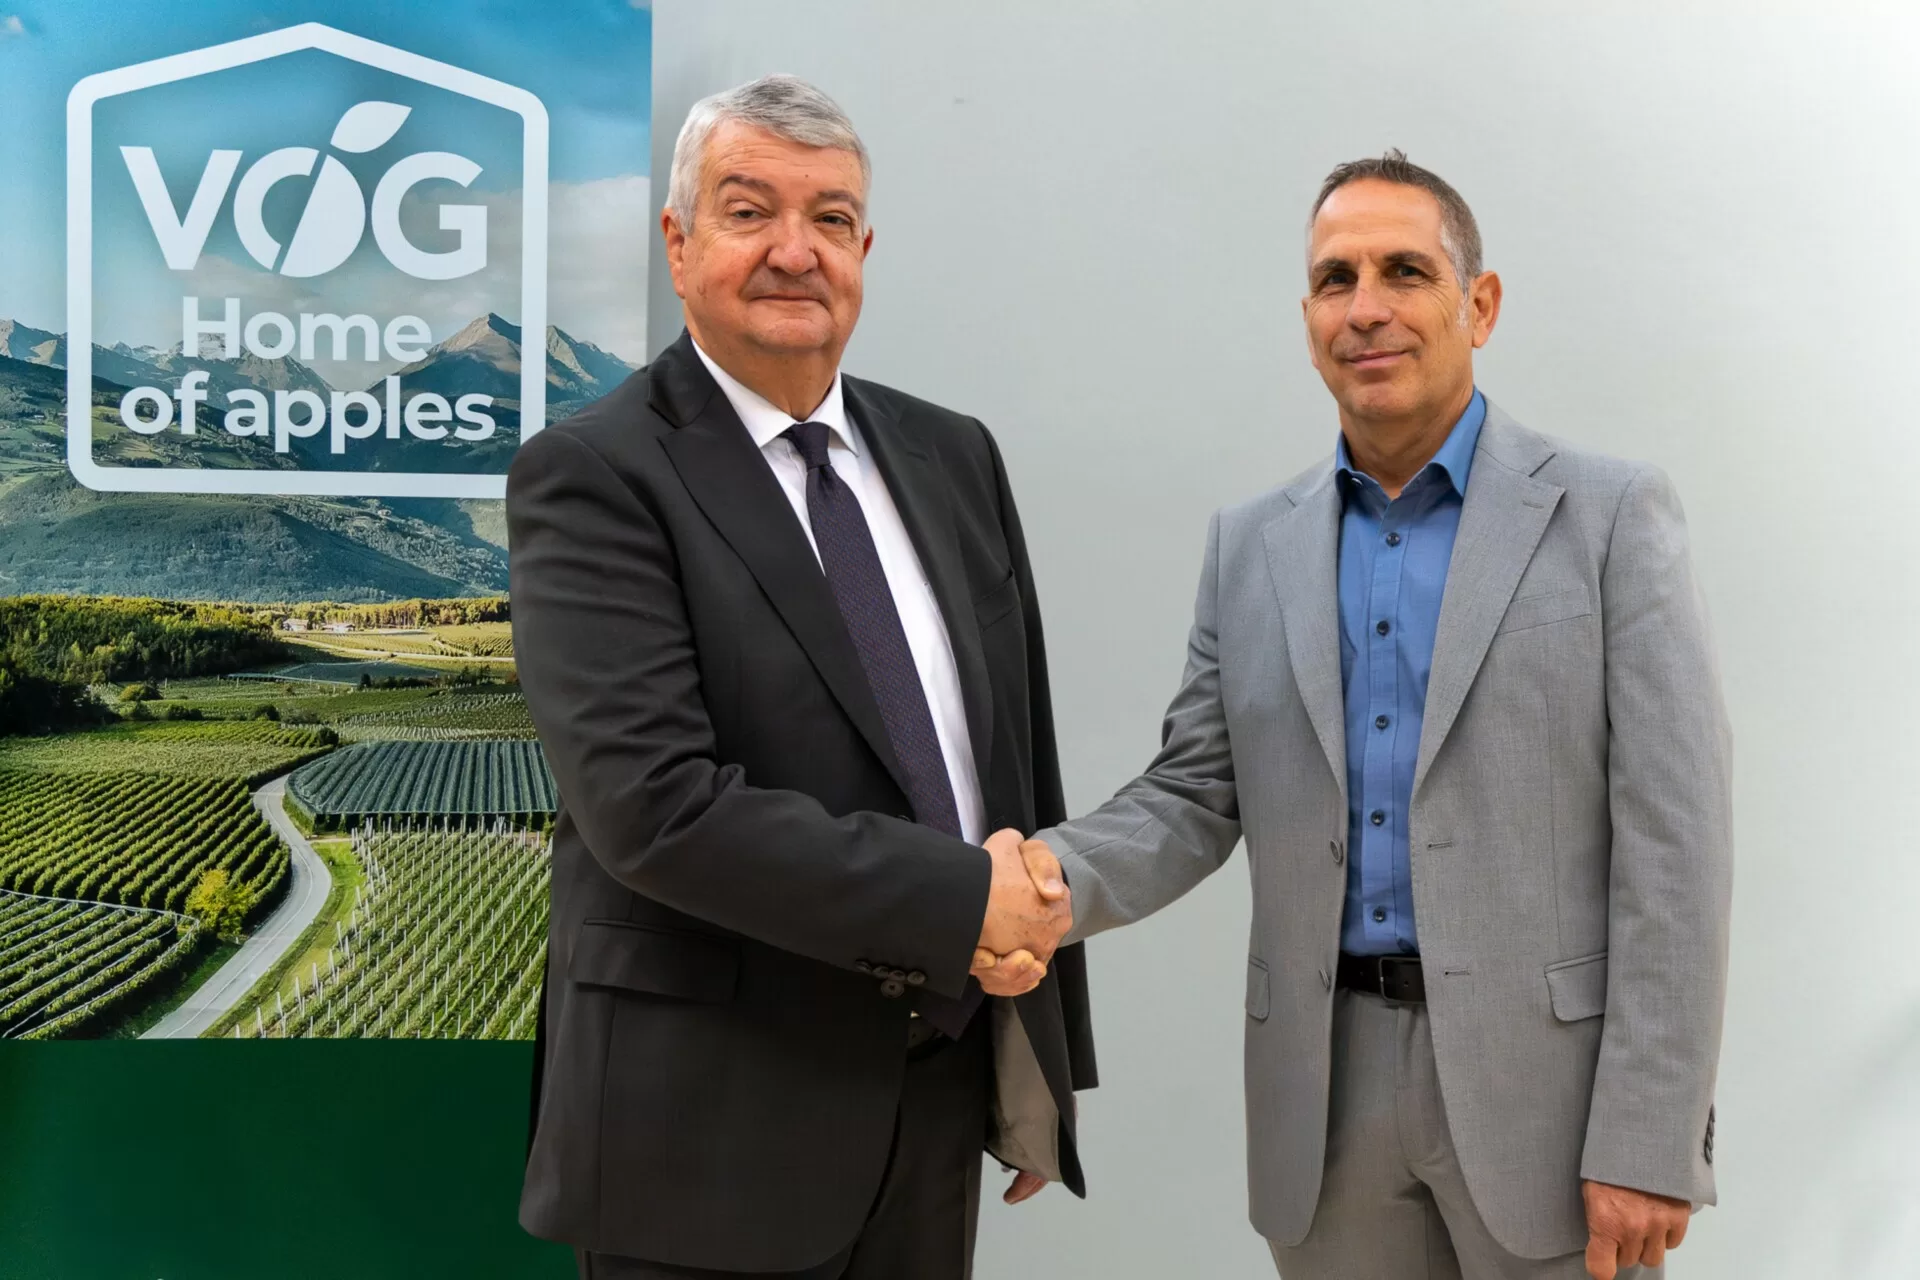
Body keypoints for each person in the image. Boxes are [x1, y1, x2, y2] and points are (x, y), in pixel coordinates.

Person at [1004, 151, 1732, 1279]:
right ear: (1308, 321)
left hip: (1550, 1101)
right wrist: (1042, 880)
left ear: (1479, 305)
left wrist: (1651, 1133)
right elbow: (1192, 794)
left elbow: (1677, 842)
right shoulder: (1251, 547)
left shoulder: (1609, 516)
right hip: (1323, 1092)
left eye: (1405, 271)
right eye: (1335, 279)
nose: (1366, 308)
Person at [508, 75, 1093, 1280]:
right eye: (748, 210)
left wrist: (1039, 1045)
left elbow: (1011, 757)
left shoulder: (953, 454)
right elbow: (655, 808)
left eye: (831, 217)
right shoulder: (594, 474)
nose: (795, 250)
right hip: (706, 1133)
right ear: (678, 244)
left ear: (864, 251)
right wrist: (960, 903)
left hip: (932, 1098)